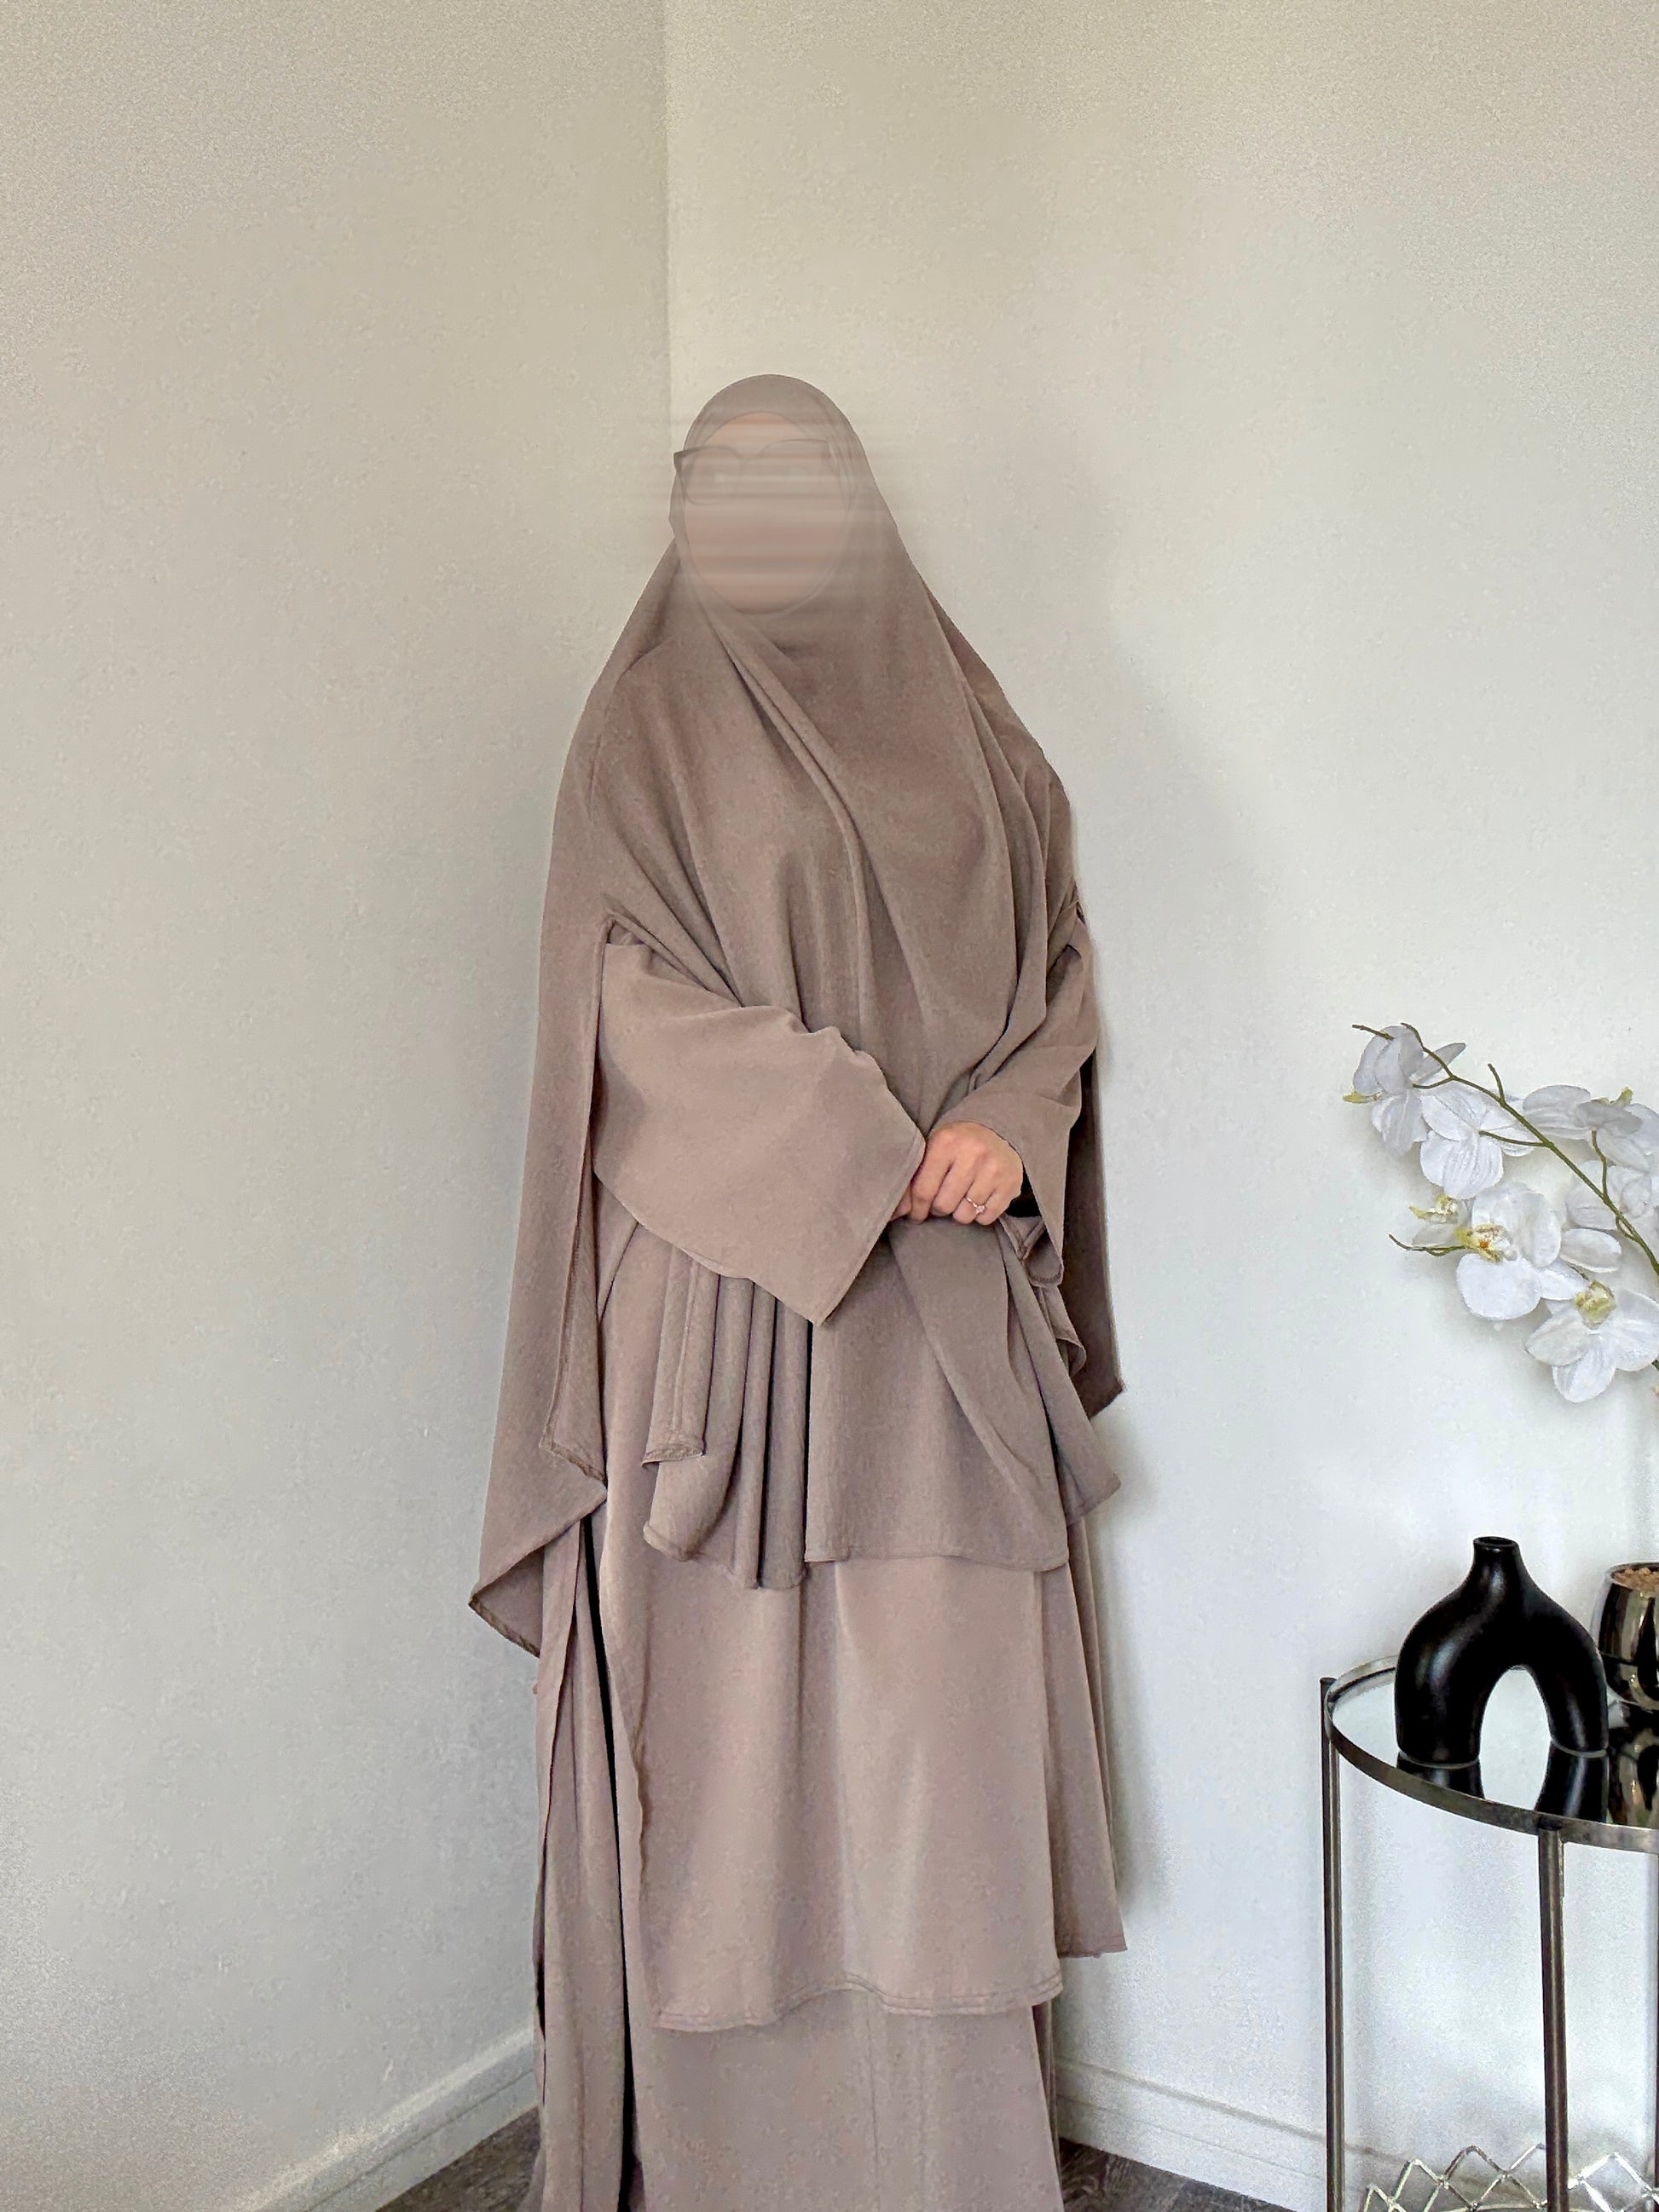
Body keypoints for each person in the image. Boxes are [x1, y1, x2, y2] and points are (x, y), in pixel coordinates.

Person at [470, 372, 1129, 2212]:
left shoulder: (980, 740)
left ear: (854, 501)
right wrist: (856, 1140)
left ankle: (951, 2168)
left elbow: (1054, 973)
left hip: (940, 1324)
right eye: (715, 483)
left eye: (793, 482)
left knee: (934, 1750)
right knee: (737, 1747)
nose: (753, 516)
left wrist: (1007, 1120)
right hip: (729, 1308)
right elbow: (611, 1001)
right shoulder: (645, 729)